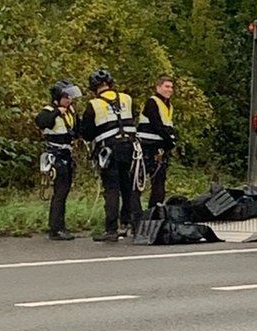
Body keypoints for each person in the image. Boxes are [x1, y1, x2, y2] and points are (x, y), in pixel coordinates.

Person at [81, 69, 142, 242]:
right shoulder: (127, 98)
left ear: (93, 88)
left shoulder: (94, 105)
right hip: (130, 148)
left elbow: (86, 133)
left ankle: (111, 230)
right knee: (130, 187)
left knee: (112, 190)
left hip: (109, 151)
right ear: (111, 83)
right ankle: (135, 225)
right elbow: (132, 118)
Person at [34, 80, 83, 241]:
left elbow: (77, 131)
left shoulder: (71, 112)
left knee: (64, 191)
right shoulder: (48, 111)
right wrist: (57, 112)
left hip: (67, 154)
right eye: (66, 97)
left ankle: (60, 226)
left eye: (70, 98)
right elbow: (41, 122)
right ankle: (56, 228)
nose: (69, 101)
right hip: (56, 155)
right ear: (57, 98)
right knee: (59, 192)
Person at [137, 75, 177, 208]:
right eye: (167, 86)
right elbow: (156, 124)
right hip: (147, 146)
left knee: (159, 182)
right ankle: (134, 214)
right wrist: (169, 140)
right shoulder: (152, 102)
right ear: (158, 87)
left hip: (160, 147)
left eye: (171, 87)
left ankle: (154, 212)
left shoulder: (168, 105)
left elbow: (167, 126)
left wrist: (171, 140)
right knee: (139, 182)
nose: (170, 90)